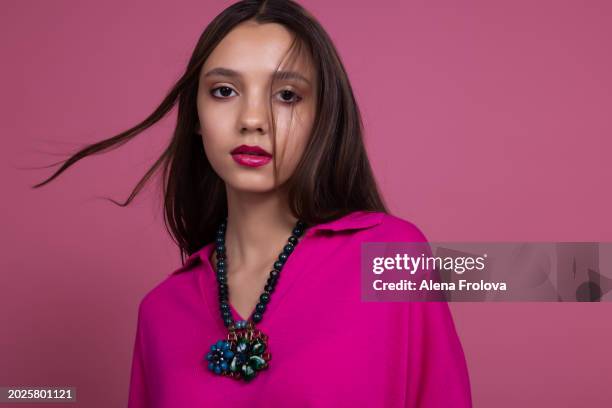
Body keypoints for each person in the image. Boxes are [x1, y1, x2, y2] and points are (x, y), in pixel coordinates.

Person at [34, 0, 471, 406]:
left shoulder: (392, 257)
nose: (252, 120)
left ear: (323, 116)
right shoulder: (160, 312)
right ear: (196, 118)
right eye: (224, 90)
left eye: (287, 95)